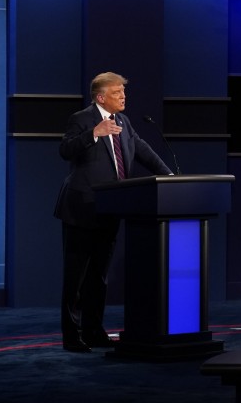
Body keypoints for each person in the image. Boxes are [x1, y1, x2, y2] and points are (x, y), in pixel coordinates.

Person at [54, 72, 172, 353]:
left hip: (111, 208)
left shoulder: (124, 122)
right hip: (81, 209)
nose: (123, 97)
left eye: (123, 92)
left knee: (98, 276)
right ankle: (72, 336)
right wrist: (94, 133)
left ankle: (94, 331)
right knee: (76, 277)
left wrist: (168, 175)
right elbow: (65, 150)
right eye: (117, 92)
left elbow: (141, 149)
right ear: (100, 97)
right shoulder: (82, 118)